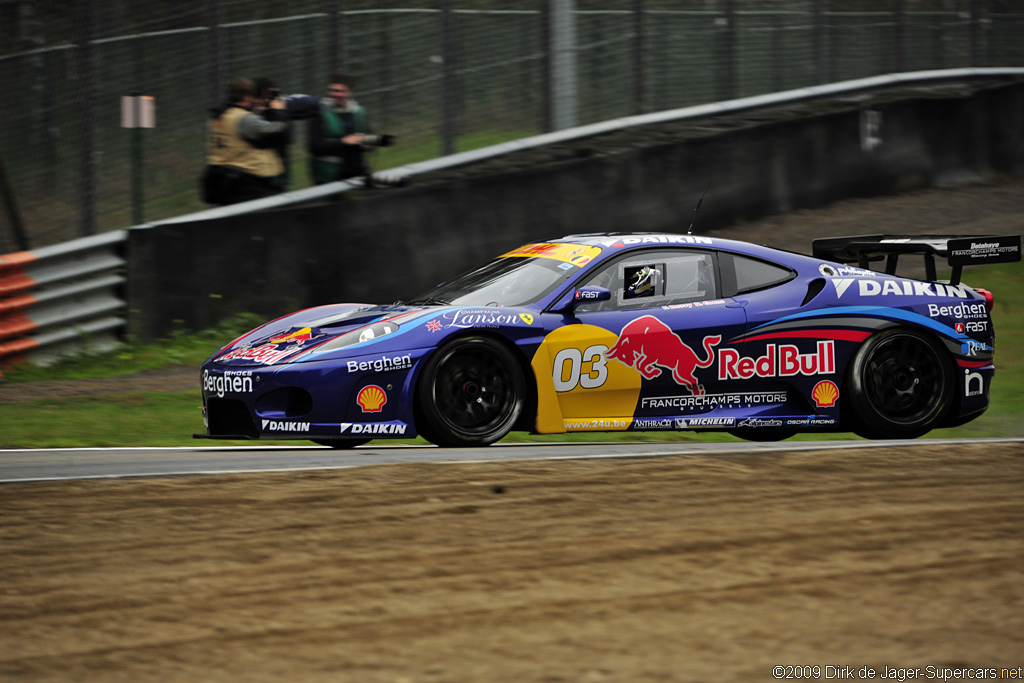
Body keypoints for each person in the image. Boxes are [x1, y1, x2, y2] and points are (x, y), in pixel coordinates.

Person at [201, 77, 289, 206]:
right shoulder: (243, 118)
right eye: (253, 97)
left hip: (220, 180)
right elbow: (276, 128)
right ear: (247, 97)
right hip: (243, 183)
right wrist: (278, 111)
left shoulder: (218, 117)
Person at [307, 73, 374, 184]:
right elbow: (313, 146)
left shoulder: (358, 112)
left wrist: (368, 144)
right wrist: (343, 142)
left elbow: (369, 139)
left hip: (357, 172)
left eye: (341, 91)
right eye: (333, 90)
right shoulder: (319, 113)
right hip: (328, 176)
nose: (336, 94)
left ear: (349, 92)